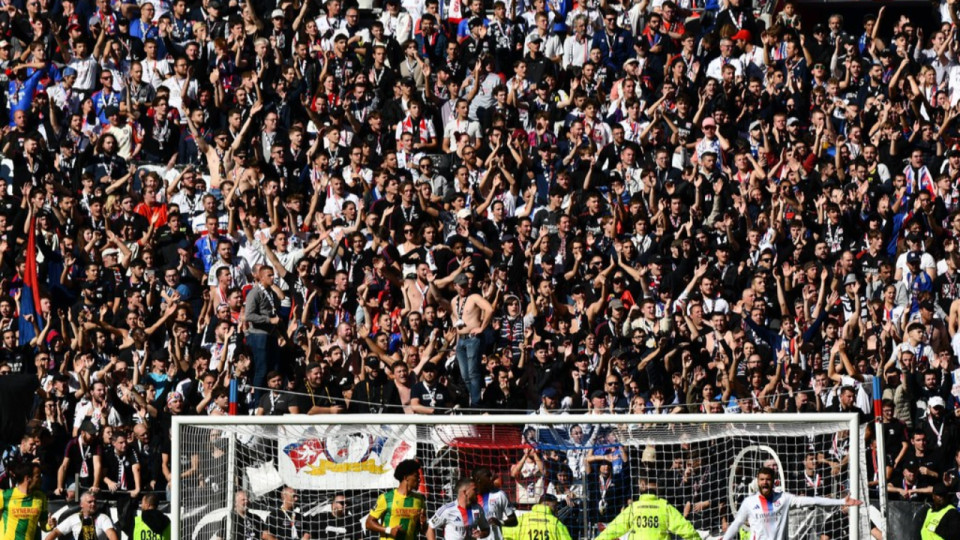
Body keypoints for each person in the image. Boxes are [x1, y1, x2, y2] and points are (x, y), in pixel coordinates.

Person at [722, 467, 862, 540]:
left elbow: (814, 500)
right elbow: (736, 525)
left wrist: (841, 501)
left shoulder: (784, 499)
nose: (765, 482)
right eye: (762, 479)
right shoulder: (749, 502)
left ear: (773, 481)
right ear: (758, 481)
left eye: (768, 479)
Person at [594, 475, 699, 540]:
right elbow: (685, 529)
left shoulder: (633, 508)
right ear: (657, 487)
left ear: (642, 486)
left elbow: (613, 529)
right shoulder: (664, 507)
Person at [366, 460, 426, 540]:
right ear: (406, 477)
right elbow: (369, 523)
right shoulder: (386, 498)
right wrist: (389, 530)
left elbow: (422, 530)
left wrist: (423, 524)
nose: (419, 479)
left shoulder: (419, 499)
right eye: (416, 476)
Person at [0, 462, 54, 540]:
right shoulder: (5, 496)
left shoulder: (41, 497)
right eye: (38, 476)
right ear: (28, 478)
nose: (41, 479)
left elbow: (44, 526)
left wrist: (50, 524)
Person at [44, 492, 119, 540]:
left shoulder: (103, 518)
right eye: (90, 502)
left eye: (94, 501)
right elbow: (56, 532)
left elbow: (111, 534)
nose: (93, 504)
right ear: (81, 504)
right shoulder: (74, 518)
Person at [472, 468, 517, 540]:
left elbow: (514, 521)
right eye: (488, 476)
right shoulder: (470, 497)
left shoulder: (499, 495)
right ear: (478, 479)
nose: (491, 478)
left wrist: (500, 522)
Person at [506, 494, 570, 540]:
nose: (556, 511)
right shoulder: (556, 524)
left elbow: (506, 536)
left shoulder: (521, 520)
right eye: (555, 507)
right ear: (546, 505)